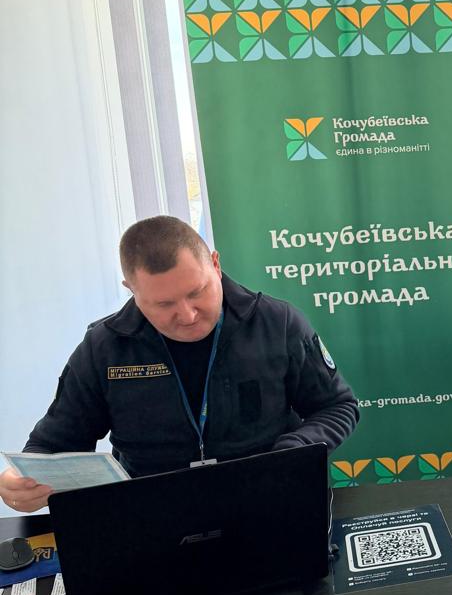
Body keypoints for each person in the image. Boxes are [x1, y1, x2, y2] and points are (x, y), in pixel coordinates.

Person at [1, 216, 359, 513]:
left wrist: (295, 452)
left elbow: (338, 406)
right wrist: (21, 483)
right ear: (131, 289)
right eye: (164, 304)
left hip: (270, 503)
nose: (187, 315)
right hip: (153, 519)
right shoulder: (104, 349)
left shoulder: (276, 323)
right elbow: (50, 447)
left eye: (196, 292)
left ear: (215, 264)